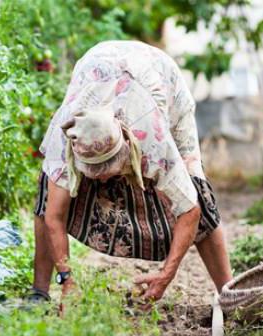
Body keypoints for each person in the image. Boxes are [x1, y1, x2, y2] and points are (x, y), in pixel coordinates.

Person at [29, 40, 232, 305]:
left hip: (161, 79)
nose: (101, 178)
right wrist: (66, 280)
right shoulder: (65, 137)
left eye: (107, 170)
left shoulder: (152, 138)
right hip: (98, 66)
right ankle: (39, 293)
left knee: (199, 194)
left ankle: (229, 292)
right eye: (93, 172)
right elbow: (54, 216)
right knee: (47, 196)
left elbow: (190, 209)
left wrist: (165, 275)